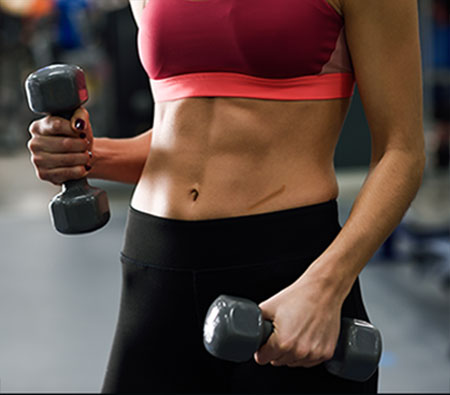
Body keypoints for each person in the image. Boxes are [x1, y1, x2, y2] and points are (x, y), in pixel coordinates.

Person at [27, 0, 425, 393]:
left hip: (286, 276)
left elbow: (402, 151)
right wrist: (87, 155)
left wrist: (326, 287)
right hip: (157, 265)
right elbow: (182, 138)